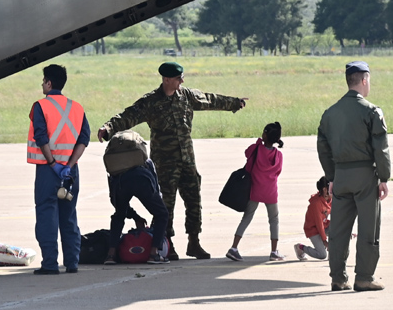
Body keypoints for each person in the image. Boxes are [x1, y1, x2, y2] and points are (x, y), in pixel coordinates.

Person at [98, 62, 246, 260]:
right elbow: (129, 115)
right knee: (166, 204)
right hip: (164, 163)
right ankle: (167, 244)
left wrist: (235, 103)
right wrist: (108, 128)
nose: (182, 81)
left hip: (187, 159)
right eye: (178, 78)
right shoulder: (150, 102)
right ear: (166, 79)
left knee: (194, 199)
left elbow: (210, 99)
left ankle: (194, 242)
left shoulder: (186, 96)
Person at [317, 61, 390, 292]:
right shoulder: (371, 111)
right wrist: (384, 177)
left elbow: (323, 148)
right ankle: (364, 277)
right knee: (368, 228)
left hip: (340, 177)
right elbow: (381, 148)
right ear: (365, 79)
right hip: (365, 175)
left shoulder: (330, 113)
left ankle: (338, 278)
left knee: (338, 230)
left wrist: (331, 176)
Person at [27, 64, 90, 275]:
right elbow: (84, 139)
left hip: (48, 170)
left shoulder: (41, 106)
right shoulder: (77, 107)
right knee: (69, 216)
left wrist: (53, 164)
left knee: (47, 215)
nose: (41, 84)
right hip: (71, 172)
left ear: (49, 83)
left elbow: (41, 136)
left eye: (43, 80)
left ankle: (50, 264)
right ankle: (72, 263)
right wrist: (69, 166)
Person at [225, 122, 285, 262]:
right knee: (274, 220)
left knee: (247, 217)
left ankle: (234, 247)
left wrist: (258, 143)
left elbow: (247, 153)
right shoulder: (278, 155)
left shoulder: (256, 149)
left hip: (255, 190)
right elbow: (278, 171)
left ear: (264, 135)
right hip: (270, 191)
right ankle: (274, 250)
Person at [104, 158, 170, 264]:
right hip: (142, 178)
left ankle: (111, 255)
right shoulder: (146, 162)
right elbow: (154, 189)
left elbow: (114, 200)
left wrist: (135, 216)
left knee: (118, 216)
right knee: (162, 214)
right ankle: (154, 254)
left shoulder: (115, 165)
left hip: (121, 182)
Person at [294, 177, 332, 261]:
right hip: (313, 229)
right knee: (322, 255)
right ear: (325, 189)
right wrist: (325, 241)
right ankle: (300, 248)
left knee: (337, 228)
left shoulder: (330, 200)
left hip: (324, 226)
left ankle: (332, 252)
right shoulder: (316, 203)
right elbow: (319, 224)